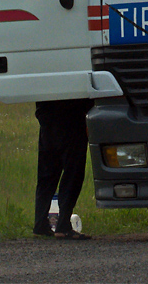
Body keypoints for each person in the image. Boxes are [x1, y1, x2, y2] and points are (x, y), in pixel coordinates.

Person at [33, 98, 94, 239]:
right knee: (73, 172)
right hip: (72, 117)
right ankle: (63, 225)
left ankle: (40, 223)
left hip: (47, 118)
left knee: (47, 174)